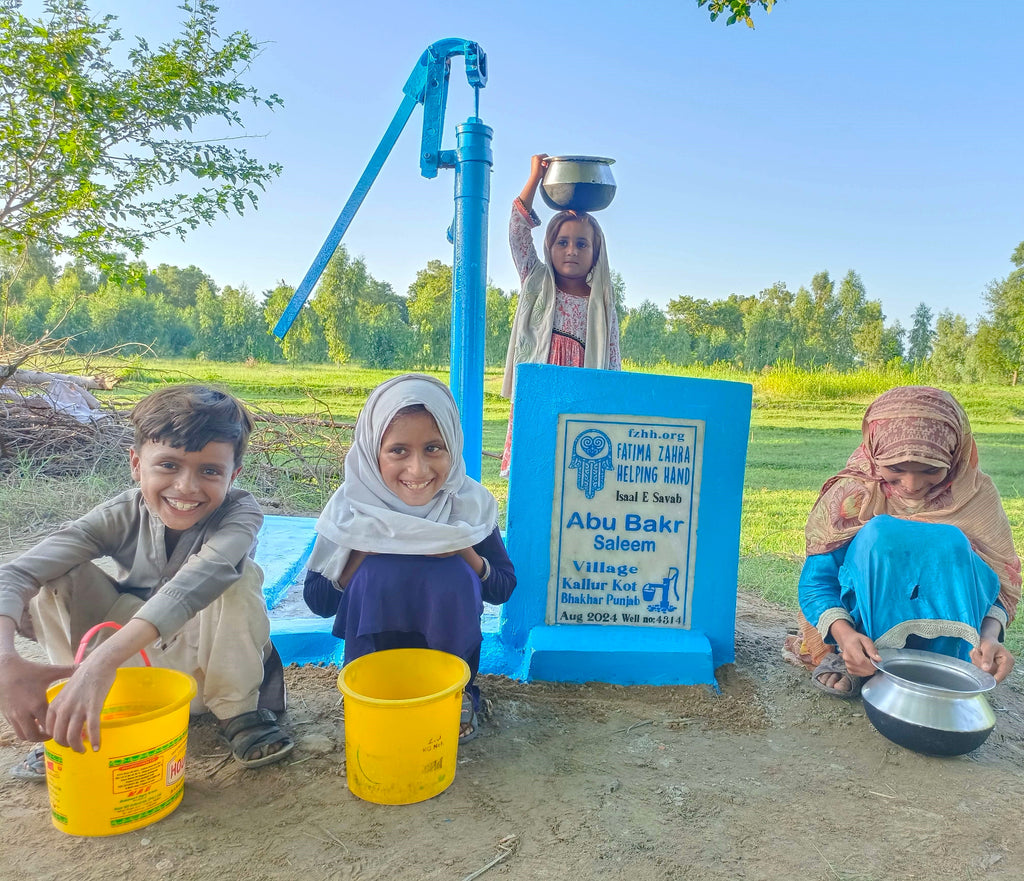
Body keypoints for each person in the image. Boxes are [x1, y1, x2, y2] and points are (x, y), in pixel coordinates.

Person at [0, 385, 293, 779]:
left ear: (233, 475)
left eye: (209, 471)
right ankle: (74, 706)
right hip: (122, 676)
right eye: (168, 465)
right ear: (136, 463)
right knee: (57, 576)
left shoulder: (240, 513)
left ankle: (238, 715)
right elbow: (16, 573)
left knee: (239, 576)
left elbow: (197, 582)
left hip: (201, 671)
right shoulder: (120, 513)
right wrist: (5, 663)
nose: (187, 487)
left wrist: (102, 661)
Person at [303, 374, 516, 742]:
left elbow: (502, 587)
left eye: (434, 448)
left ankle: (456, 694)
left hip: (447, 673)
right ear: (373, 451)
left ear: (453, 445)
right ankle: (369, 691)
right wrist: (361, 551)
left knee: (451, 573)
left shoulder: (466, 506)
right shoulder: (353, 509)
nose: (418, 470)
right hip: (374, 670)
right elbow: (319, 601)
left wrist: (461, 548)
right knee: (377, 571)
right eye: (398, 450)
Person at [792, 385, 1021, 698]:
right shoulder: (854, 494)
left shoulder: (975, 496)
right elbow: (817, 582)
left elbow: (997, 584)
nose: (912, 486)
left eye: (930, 470)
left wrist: (989, 637)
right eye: (895, 469)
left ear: (954, 458)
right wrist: (844, 636)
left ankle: (946, 664)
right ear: (873, 453)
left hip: (949, 650)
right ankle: (855, 659)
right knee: (881, 535)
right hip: (863, 637)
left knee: (952, 542)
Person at [500, 153, 622, 476]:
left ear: (596, 253)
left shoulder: (602, 304)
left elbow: (611, 362)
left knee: (573, 474)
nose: (572, 250)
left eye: (582, 244)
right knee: (533, 472)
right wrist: (534, 179)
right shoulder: (535, 282)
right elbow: (516, 231)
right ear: (549, 246)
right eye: (563, 242)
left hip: (580, 402)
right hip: (537, 395)